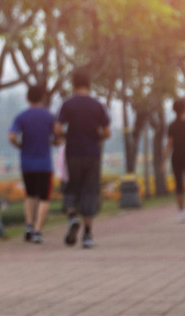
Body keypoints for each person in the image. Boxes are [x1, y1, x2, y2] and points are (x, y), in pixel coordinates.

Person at [55, 70, 110, 248]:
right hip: (92, 154)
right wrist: (96, 134)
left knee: (71, 187)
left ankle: (72, 218)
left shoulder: (67, 104)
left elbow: (57, 129)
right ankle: (87, 235)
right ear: (89, 85)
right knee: (90, 191)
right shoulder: (98, 105)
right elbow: (107, 132)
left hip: (73, 153)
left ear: (74, 85)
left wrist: (68, 134)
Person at [9, 84, 60, 243]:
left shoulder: (21, 116)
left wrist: (20, 146)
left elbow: (12, 136)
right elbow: (58, 136)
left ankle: (29, 225)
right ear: (43, 98)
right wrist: (53, 142)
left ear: (27, 98)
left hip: (27, 163)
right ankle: (37, 231)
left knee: (30, 195)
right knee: (44, 197)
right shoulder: (49, 116)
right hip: (44, 164)